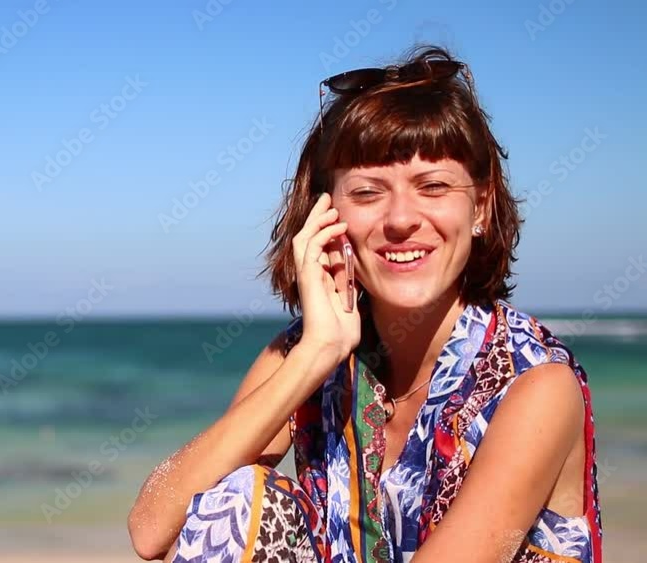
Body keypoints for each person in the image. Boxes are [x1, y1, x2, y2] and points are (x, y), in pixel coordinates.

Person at [126, 44, 604, 563]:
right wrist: (316, 354)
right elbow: (152, 529)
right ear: (326, 216)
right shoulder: (307, 357)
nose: (401, 218)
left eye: (433, 186)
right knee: (238, 502)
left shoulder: (536, 386)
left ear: (480, 208)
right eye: (368, 192)